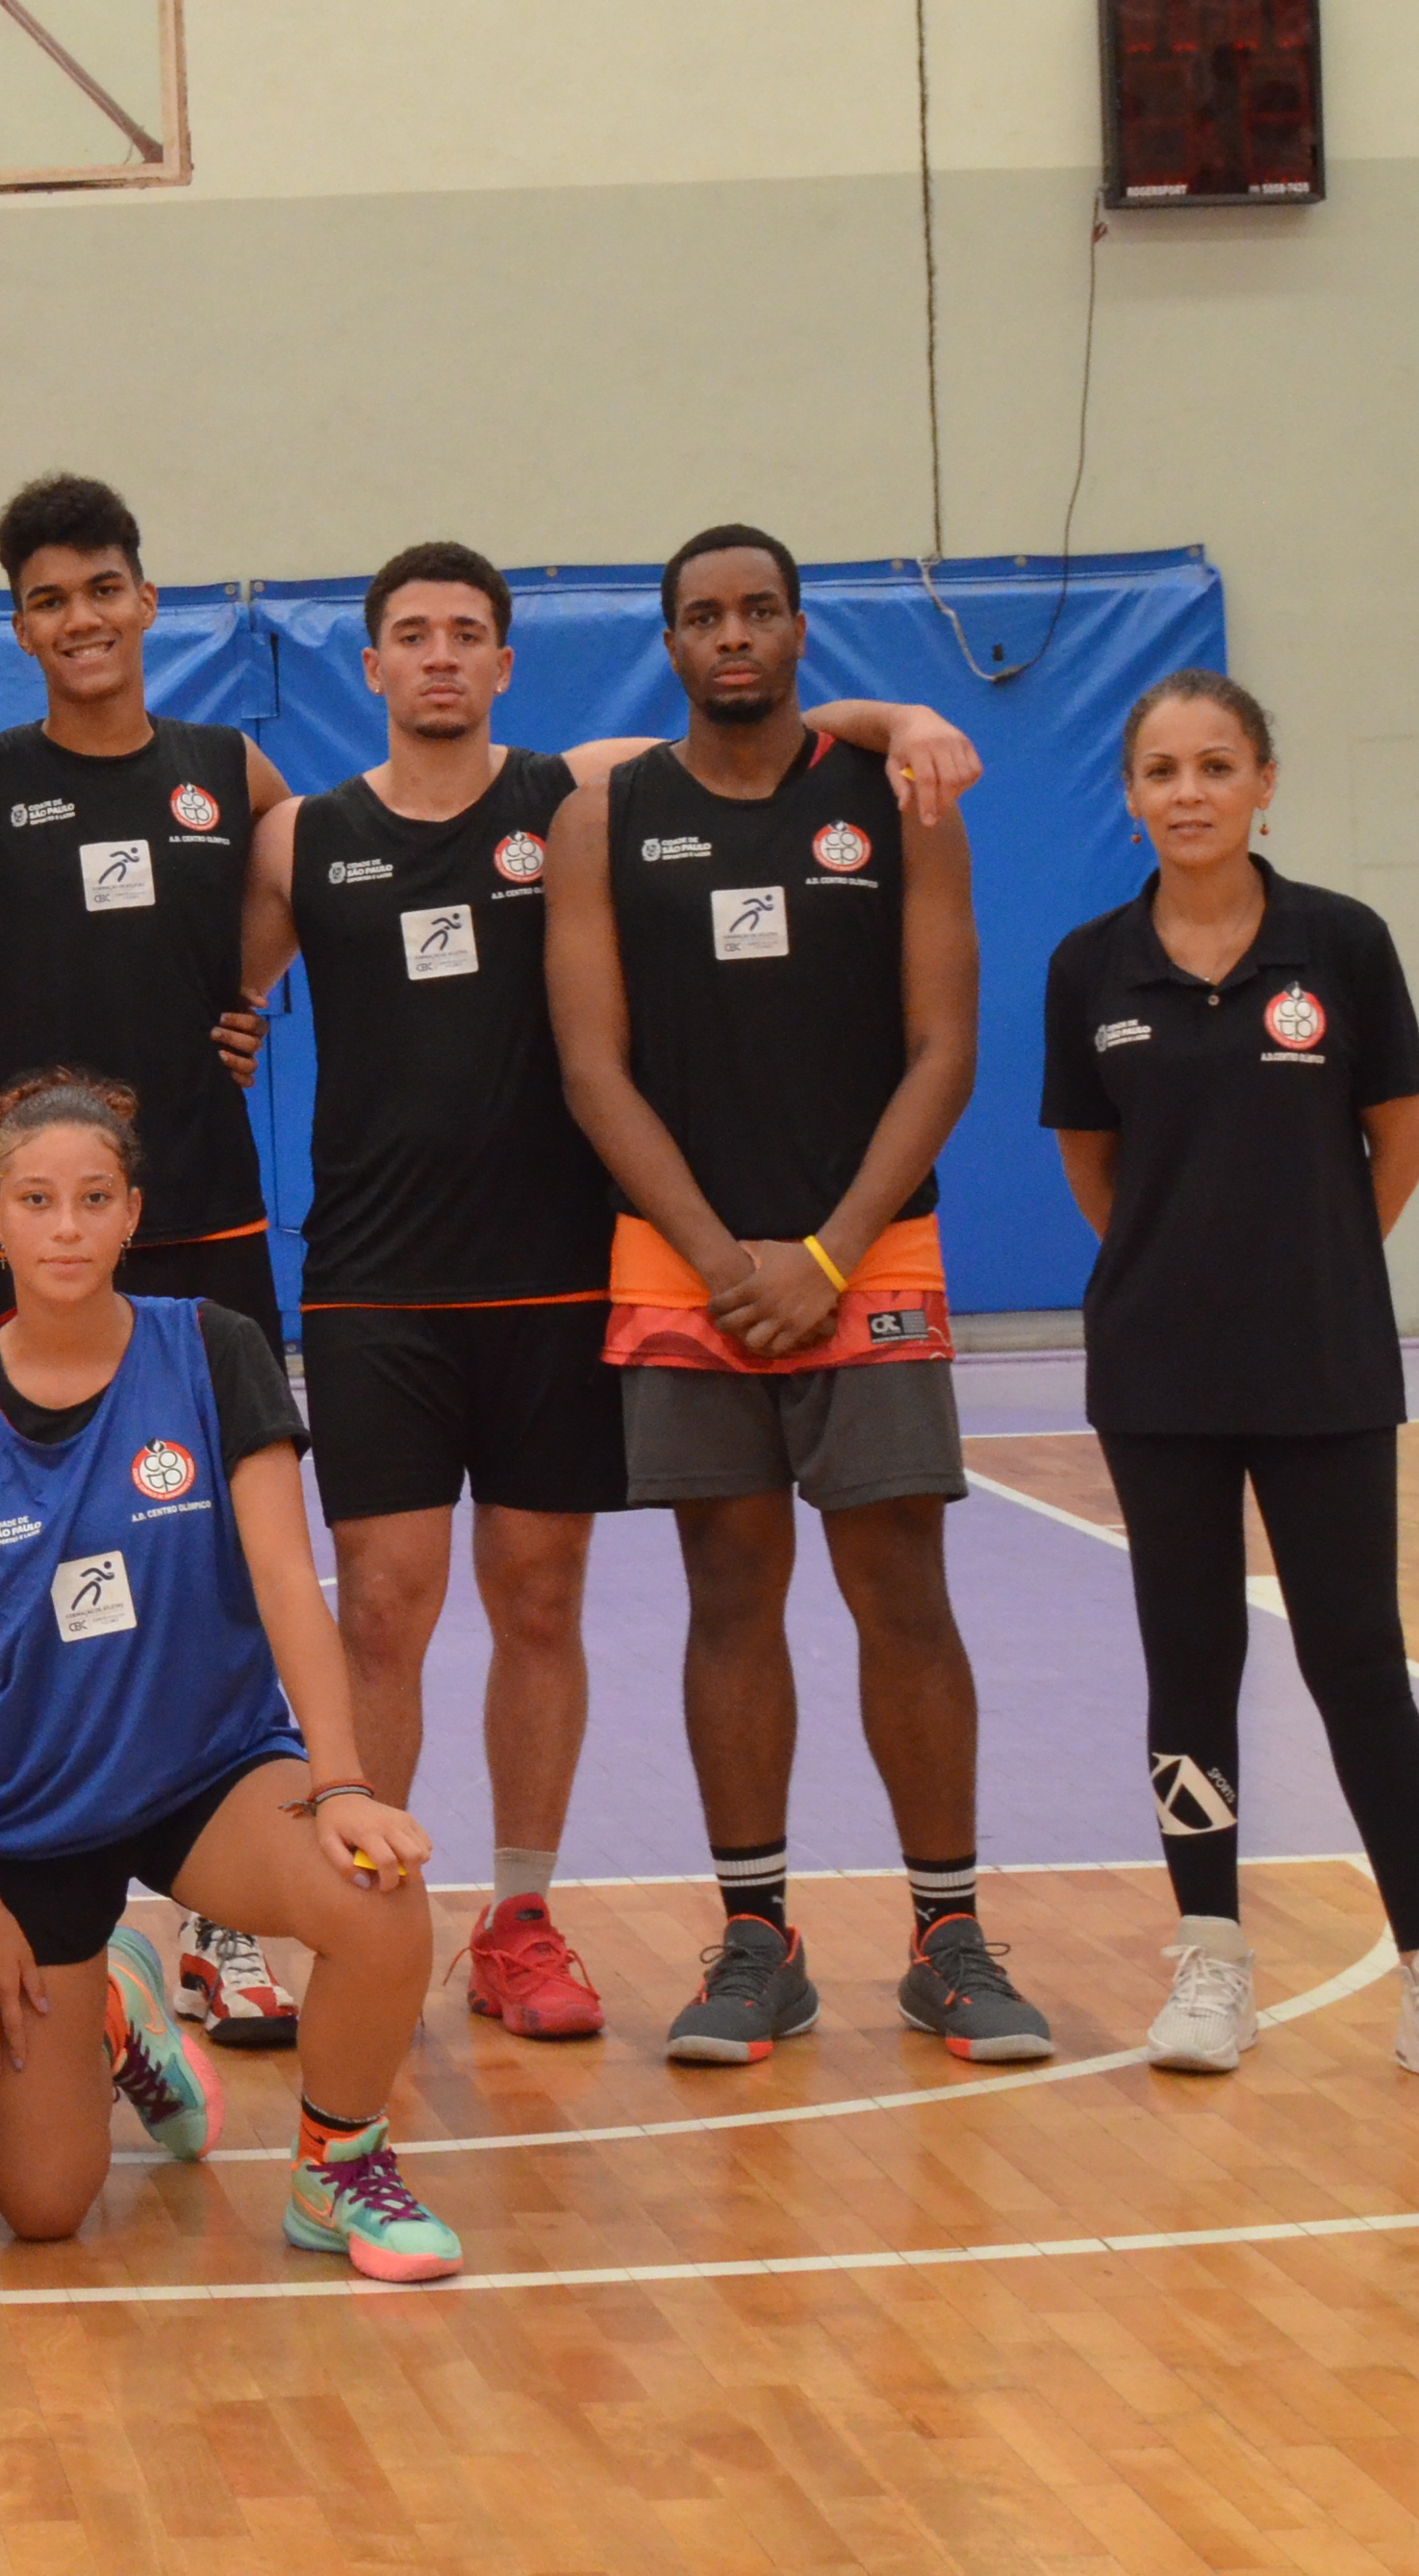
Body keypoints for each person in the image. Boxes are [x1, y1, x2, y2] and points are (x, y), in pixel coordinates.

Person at [235, 542, 975, 2043]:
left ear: (508, 663)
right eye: (410, 638)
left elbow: (759, 714)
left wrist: (909, 721)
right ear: (368, 667)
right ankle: (360, 1909)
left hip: (555, 1269)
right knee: (380, 1604)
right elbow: (215, 1012)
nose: (439, 657)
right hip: (373, 1278)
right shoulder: (297, 840)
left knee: (541, 1598)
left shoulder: (577, 795)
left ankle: (518, 1919)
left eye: (466, 636)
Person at [544, 524, 1037, 2066]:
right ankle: (757, 1938)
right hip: (685, 1262)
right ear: (671, 644)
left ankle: (949, 1934)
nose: (734, 635)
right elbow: (590, 1066)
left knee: (904, 1592)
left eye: (760, 610)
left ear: (804, 630)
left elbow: (944, 1050)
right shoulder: (603, 815)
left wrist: (822, 1256)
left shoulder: (898, 802)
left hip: (868, 1257)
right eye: (704, 616)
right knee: (729, 1591)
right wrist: (720, 1256)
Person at [0, 1074, 458, 2282]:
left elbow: (287, 1580)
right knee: (43, 2208)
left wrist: (340, 1781)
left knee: (377, 1893)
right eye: (34, 1200)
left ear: (131, 1212)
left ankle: (335, 2166)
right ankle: (117, 2010)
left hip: (207, 1776)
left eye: (93, 1199)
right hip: (30, 1817)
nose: (65, 1227)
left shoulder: (209, 1348)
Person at [1043, 669, 1419, 2093]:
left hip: (1322, 1367)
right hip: (1157, 1376)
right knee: (1192, 1662)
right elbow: (1093, 1172)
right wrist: (1190, 1279)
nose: (1187, 791)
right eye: (1161, 771)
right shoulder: (1088, 968)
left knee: (1357, 1661)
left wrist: (1301, 1270)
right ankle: (1212, 1961)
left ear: (1263, 782)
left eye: (1215, 765)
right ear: (1130, 798)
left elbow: (1402, 1145)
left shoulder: (1342, 946)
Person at [0, 475, 296, 2050]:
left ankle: (224, 1914)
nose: (77, 617)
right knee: (16, 1564)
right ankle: (19, 1894)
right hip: (35, 1240)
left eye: (101, 588)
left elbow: (312, 872)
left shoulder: (229, 768)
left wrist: (256, 987)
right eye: (45, 598)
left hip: (202, 1223)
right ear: (16, 626)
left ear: (146, 601)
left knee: (219, 1560)